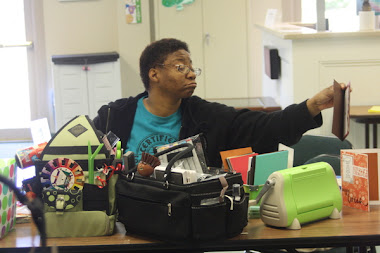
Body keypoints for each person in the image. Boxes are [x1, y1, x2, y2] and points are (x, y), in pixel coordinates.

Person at [93, 38, 349, 168]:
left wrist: (311, 106)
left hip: (185, 223)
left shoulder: (207, 117)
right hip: (125, 222)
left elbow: (265, 126)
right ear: (154, 74)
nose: (191, 74)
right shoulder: (113, 116)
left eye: (193, 68)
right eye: (181, 67)